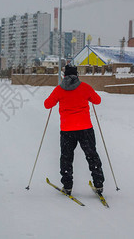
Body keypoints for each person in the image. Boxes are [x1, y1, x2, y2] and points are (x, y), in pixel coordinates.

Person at [44, 64, 104, 195]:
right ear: (77, 75)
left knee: (66, 157)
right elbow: (97, 101)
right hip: (85, 129)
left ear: (64, 76)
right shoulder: (85, 87)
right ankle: (98, 184)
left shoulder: (59, 90)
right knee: (92, 155)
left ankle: (67, 186)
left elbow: (47, 104)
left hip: (67, 130)